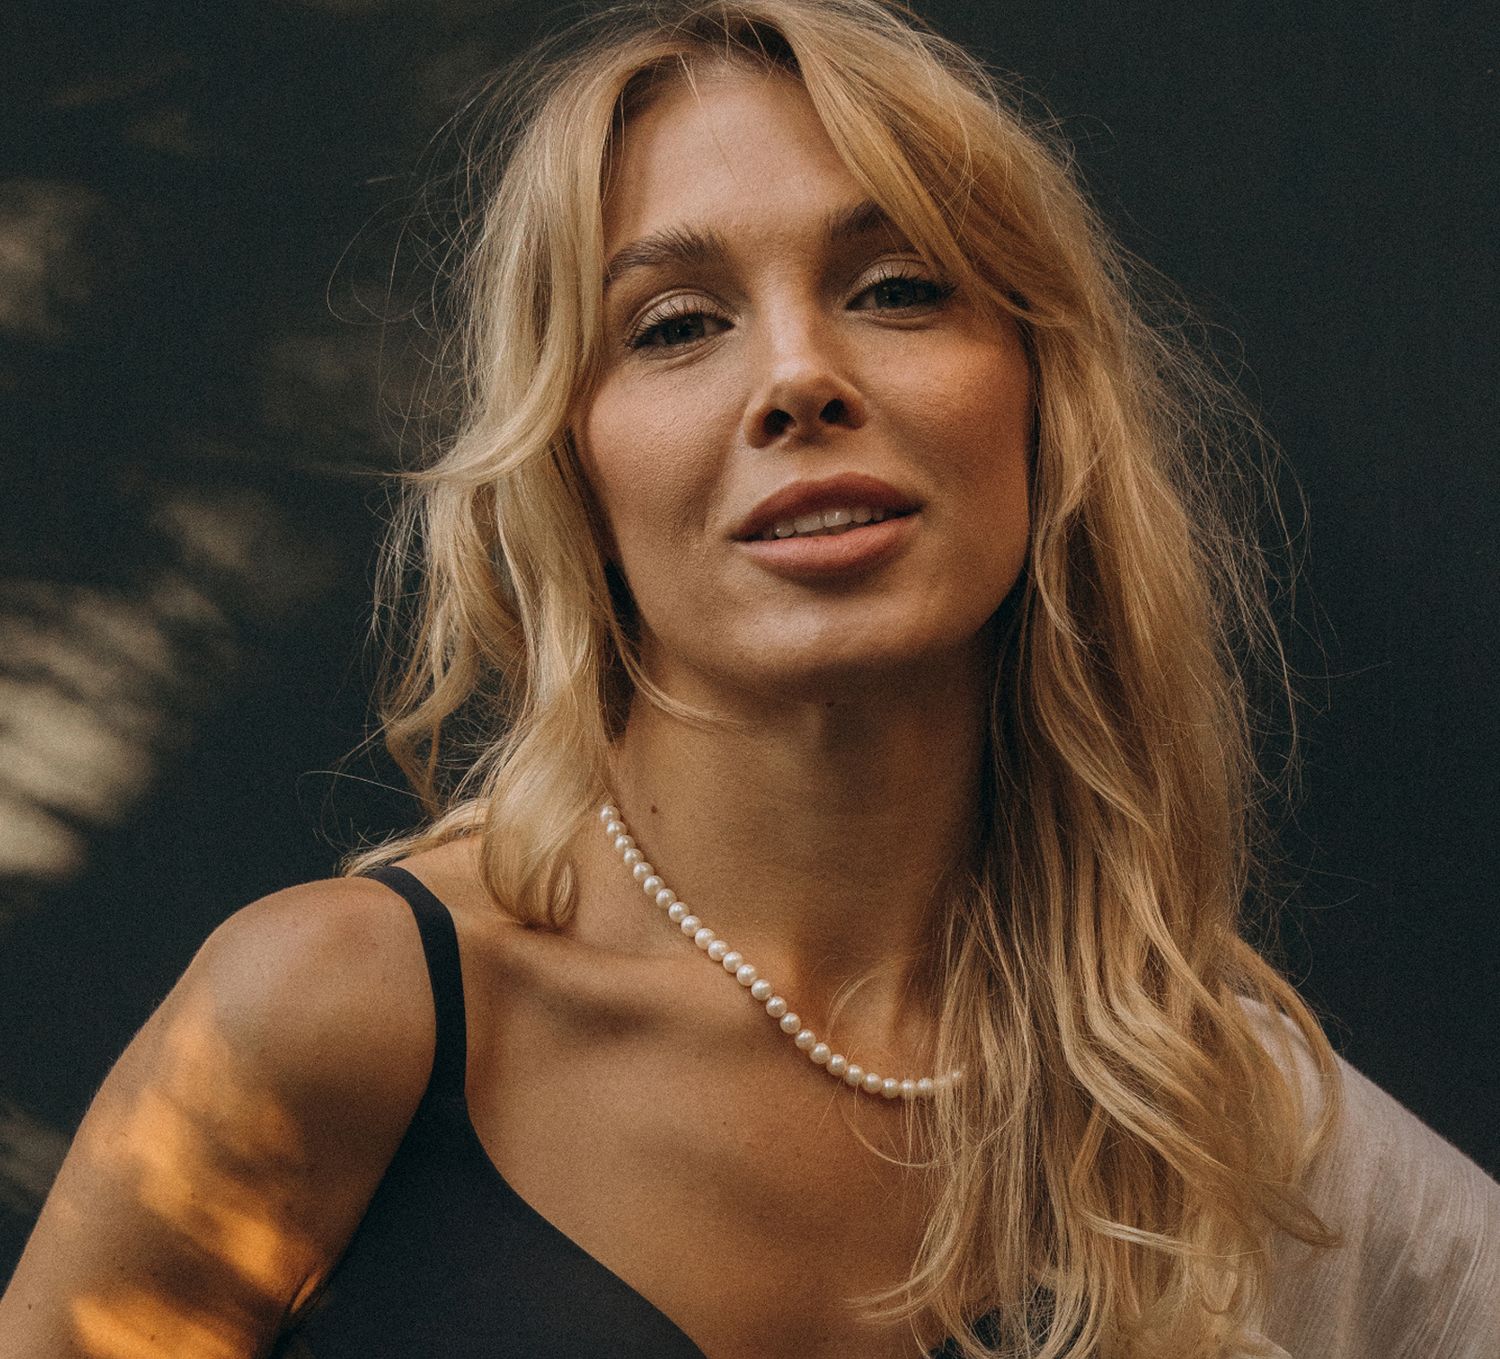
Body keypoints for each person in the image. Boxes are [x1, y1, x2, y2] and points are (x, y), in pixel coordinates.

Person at [2, 1, 1496, 1356]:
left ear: (1044, 404)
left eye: (897, 289)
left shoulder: (1222, 1124)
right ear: (571, 472)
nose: (797, 377)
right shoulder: (334, 1012)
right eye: (674, 326)